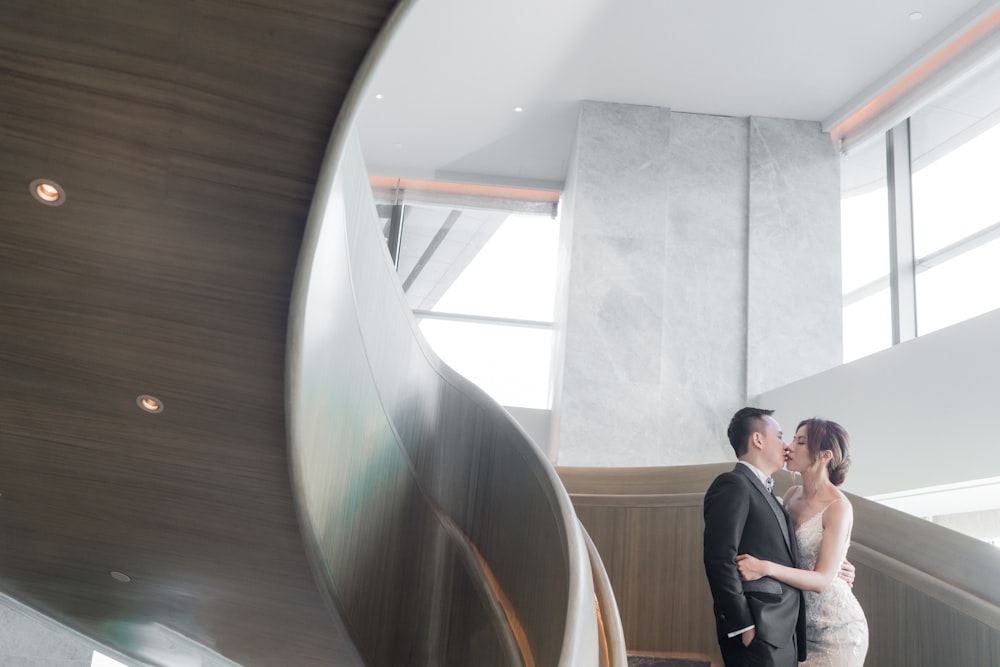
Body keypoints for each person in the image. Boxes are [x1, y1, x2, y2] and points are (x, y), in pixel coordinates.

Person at [736, 418, 869, 667]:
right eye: (792, 439)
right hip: (797, 626)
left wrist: (765, 568)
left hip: (837, 631)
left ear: (824, 455)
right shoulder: (790, 496)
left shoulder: (839, 508)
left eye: (800, 441)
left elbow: (821, 580)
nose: (789, 447)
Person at [704, 407, 806, 667]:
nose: (786, 445)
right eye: (780, 435)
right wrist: (744, 627)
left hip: (782, 631)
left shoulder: (768, 492)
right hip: (758, 630)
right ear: (758, 440)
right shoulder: (733, 484)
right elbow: (719, 559)